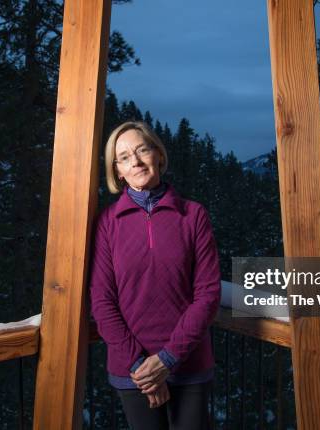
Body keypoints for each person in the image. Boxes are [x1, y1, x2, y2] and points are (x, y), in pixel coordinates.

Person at [89, 121, 222, 430]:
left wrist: (167, 360)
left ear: (158, 155)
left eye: (142, 150)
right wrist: (142, 367)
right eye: (123, 157)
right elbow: (102, 301)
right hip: (132, 369)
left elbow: (208, 295)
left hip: (188, 363)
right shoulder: (108, 223)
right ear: (118, 171)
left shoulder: (193, 215)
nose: (135, 161)